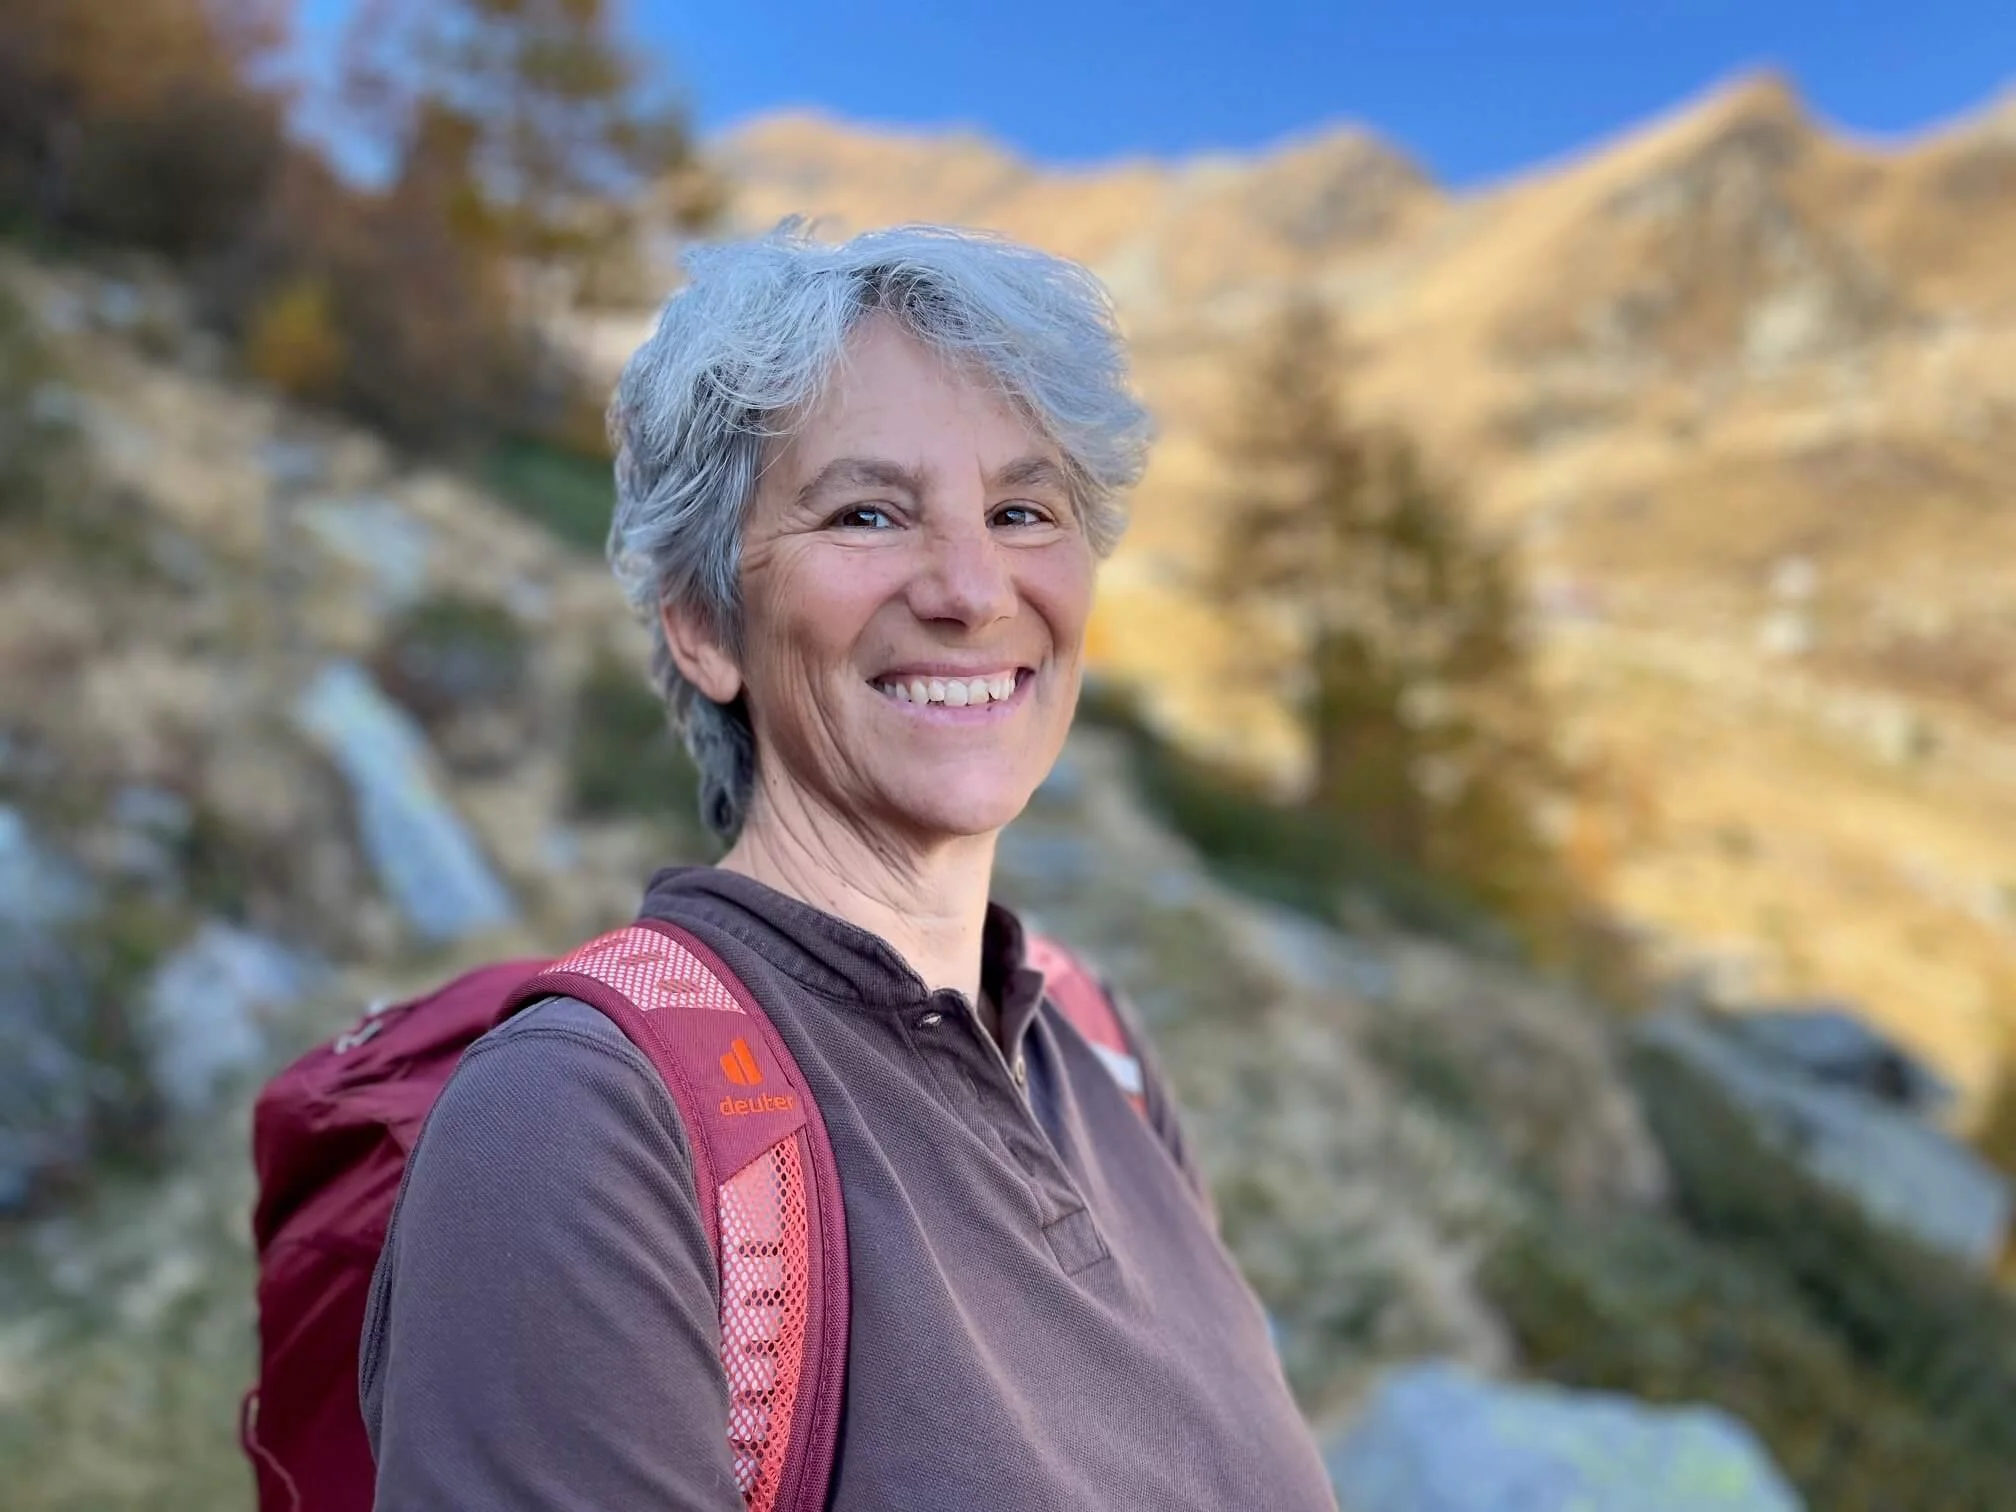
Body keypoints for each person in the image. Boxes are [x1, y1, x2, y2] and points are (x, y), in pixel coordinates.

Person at [361, 221, 1338, 1510]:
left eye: (1022, 511)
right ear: (706, 625)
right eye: (867, 513)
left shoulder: (1096, 1047)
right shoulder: (577, 1124)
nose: (972, 589)